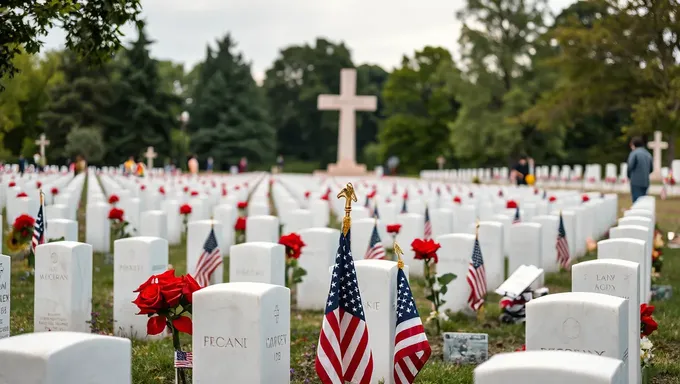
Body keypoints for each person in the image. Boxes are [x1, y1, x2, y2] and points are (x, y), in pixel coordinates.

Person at [627, 136, 653, 202]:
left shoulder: (634, 153)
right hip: (645, 182)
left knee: (636, 201)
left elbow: (630, 166)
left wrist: (629, 176)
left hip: (636, 181)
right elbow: (651, 169)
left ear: (633, 145)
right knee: (643, 201)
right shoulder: (648, 154)